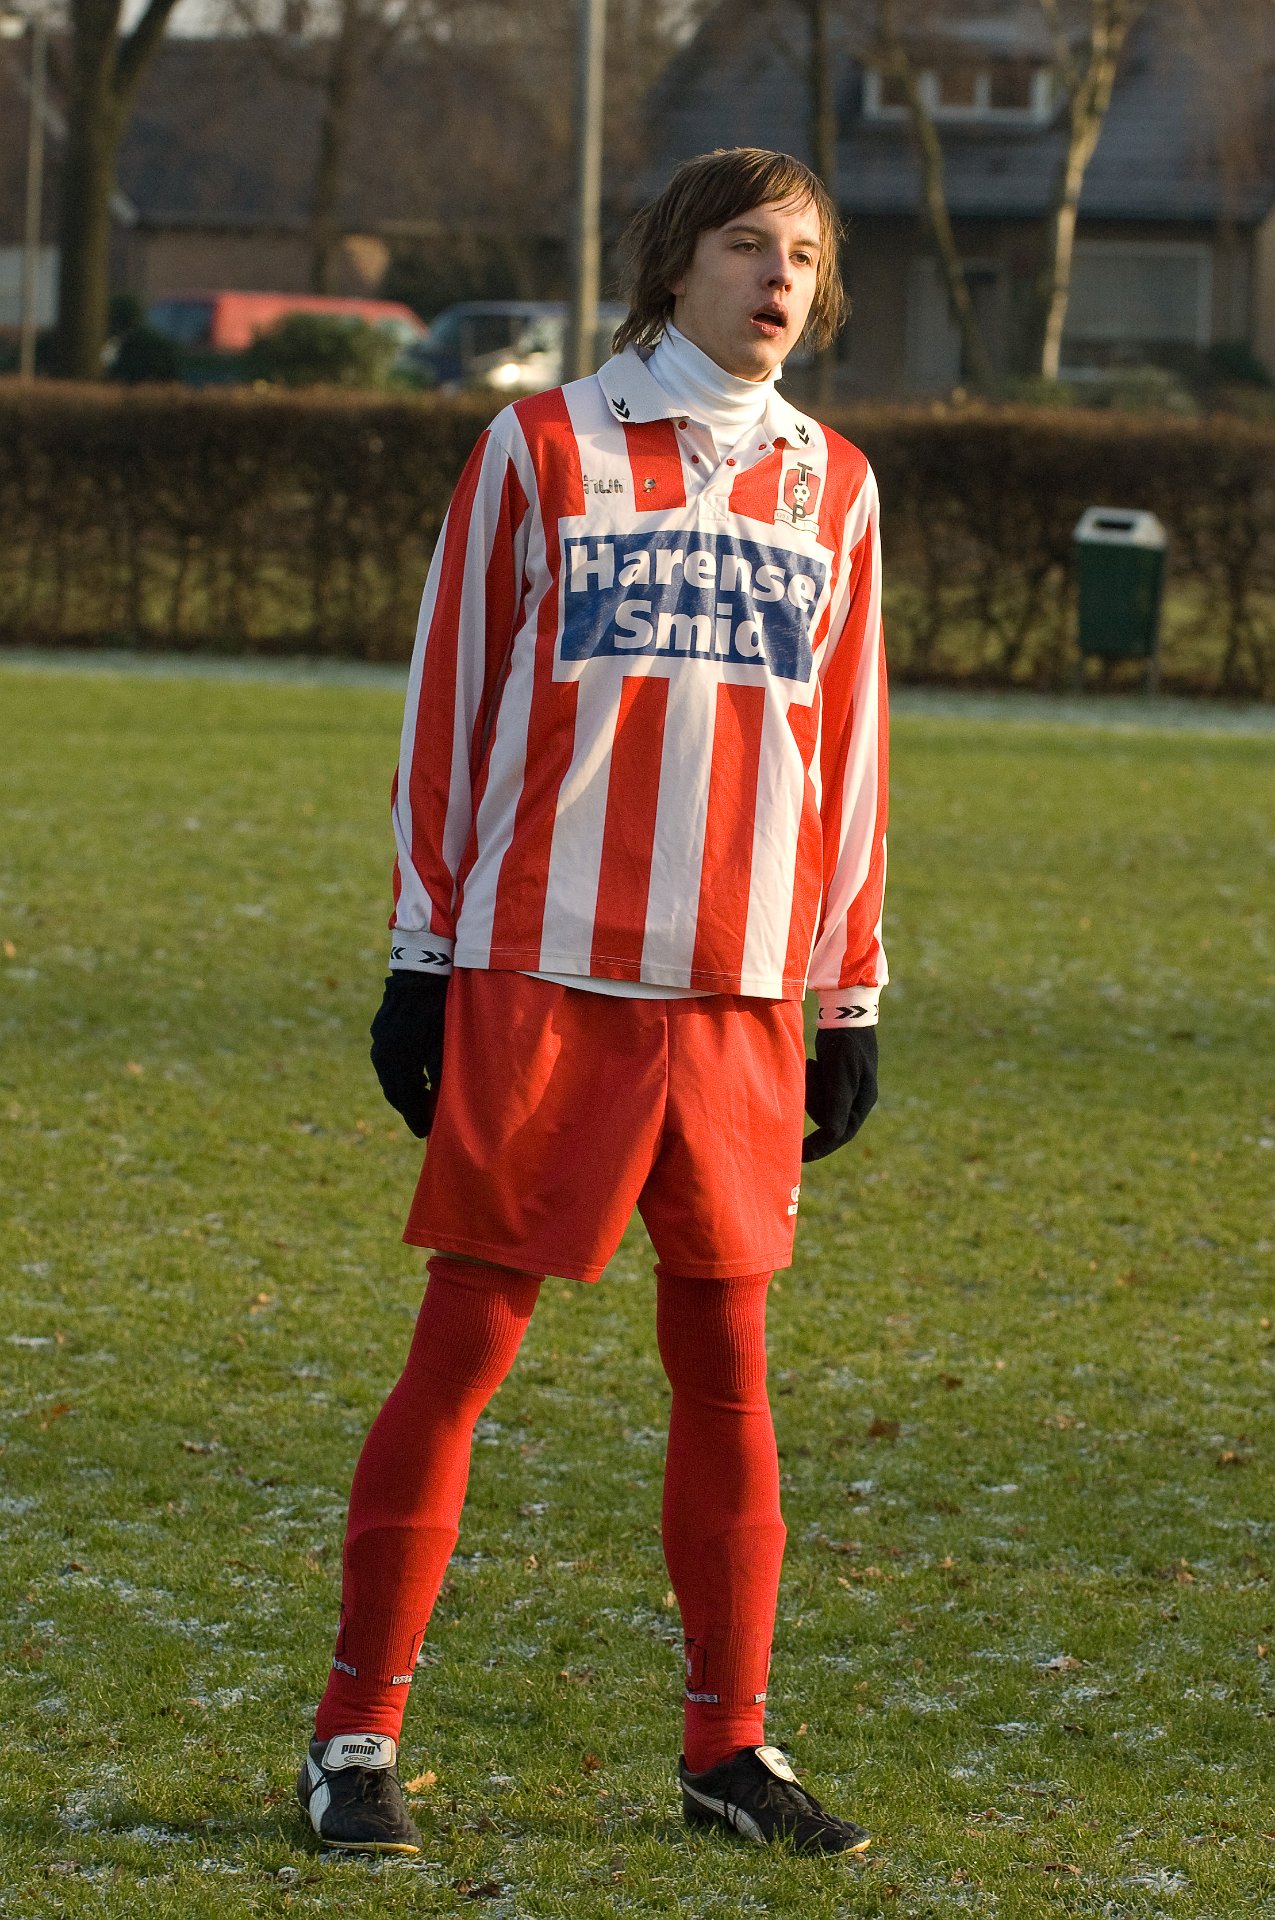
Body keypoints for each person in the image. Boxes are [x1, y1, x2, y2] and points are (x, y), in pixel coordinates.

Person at [297, 146, 888, 1859]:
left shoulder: (836, 485)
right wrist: (423, 958)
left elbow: (849, 753)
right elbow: (450, 707)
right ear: (673, 265)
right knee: (464, 1348)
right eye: (747, 246)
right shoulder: (542, 447)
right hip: (544, 974)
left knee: (729, 1366)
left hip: (740, 994)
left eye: (804, 256)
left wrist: (847, 992)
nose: (779, 280)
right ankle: (354, 1738)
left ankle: (730, 1749)